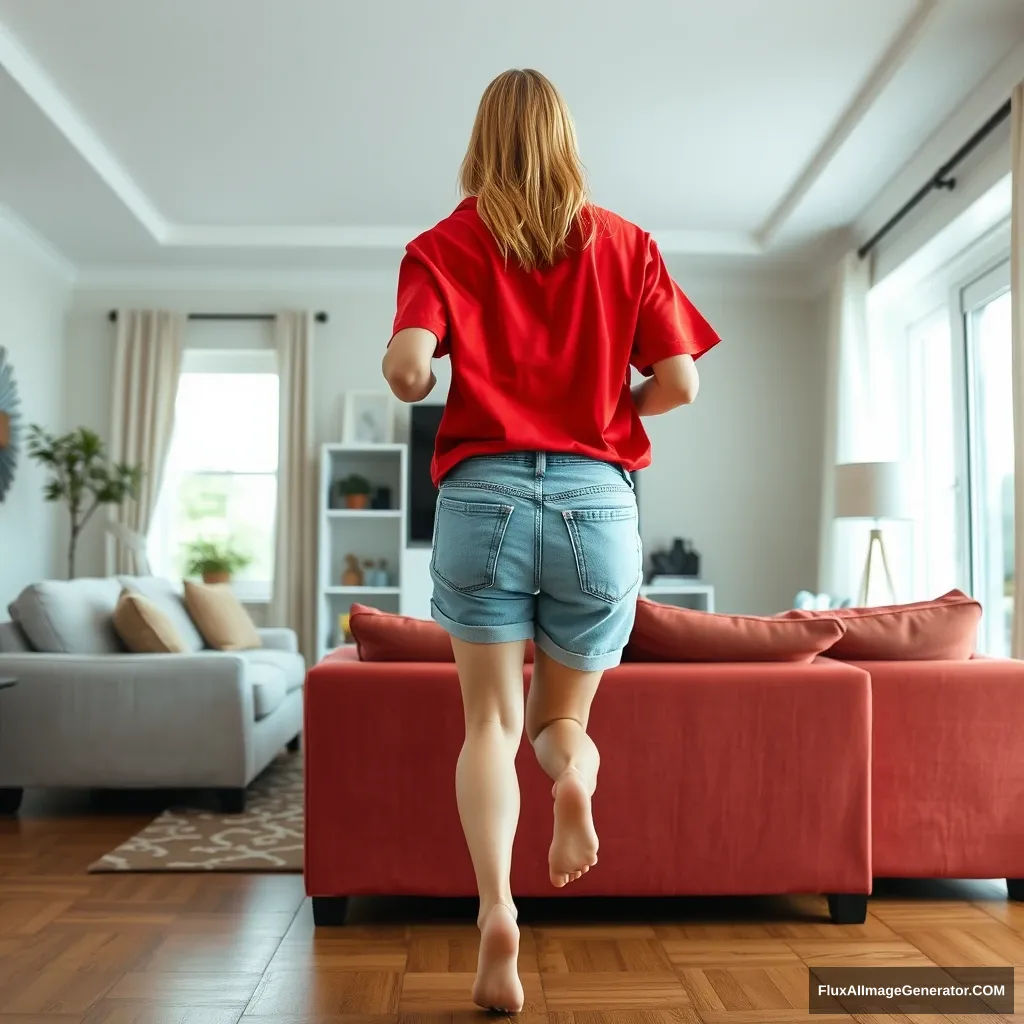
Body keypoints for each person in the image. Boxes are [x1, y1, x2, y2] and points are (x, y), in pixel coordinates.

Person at [382, 68, 719, 1013]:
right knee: (557, 724)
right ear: (566, 138)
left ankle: (497, 911)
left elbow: (412, 370)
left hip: (480, 495)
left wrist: (414, 371)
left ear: (482, 141)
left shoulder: (442, 245)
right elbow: (681, 383)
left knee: (486, 724)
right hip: (596, 501)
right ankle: (572, 779)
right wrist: (617, 407)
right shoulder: (628, 243)